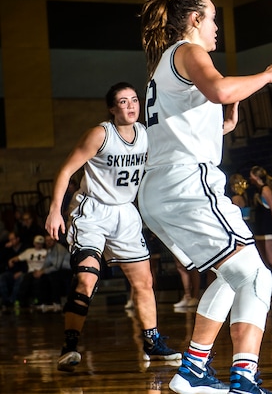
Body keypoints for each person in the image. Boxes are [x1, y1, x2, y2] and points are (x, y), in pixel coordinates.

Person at [138, 0, 272, 394]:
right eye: (213, 19)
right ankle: (243, 378)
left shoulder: (164, 64)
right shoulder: (190, 51)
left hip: (163, 188)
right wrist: (268, 75)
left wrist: (222, 123)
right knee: (257, 278)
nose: (216, 29)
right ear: (194, 20)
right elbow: (222, 90)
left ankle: (194, 369)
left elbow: (198, 118)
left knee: (231, 276)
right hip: (186, 184)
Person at [44, 82, 180, 372]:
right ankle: (69, 346)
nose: (130, 106)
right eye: (122, 102)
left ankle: (152, 342)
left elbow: (184, 141)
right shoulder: (100, 134)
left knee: (144, 282)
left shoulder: (147, 134)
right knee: (87, 278)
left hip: (124, 214)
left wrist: (227, 124)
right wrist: (55, 211)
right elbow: (66, 170)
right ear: (111, 108)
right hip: (92, 210)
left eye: (133, 100)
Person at [249, 166, 272, 303]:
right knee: (264, 262)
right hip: (260, 230)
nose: (250, 179)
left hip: (267, 230)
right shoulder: (258, 190)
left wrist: (271, 228)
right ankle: (268, 290)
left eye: (251, 176)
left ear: (256, 177)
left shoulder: (265, 189)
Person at [29, 233, 72, 312]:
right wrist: (40, 271)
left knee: (53, 276)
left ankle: (56, 302)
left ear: (54, 240)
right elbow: (46, 264)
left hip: (67, 271)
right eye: (47, 240)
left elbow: (57, 266)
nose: (48, 242)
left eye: (50, 240)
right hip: (58, 270)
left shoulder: (59, 249)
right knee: (40, 277)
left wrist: (43, 272)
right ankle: (43, 302)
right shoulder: (50, 250)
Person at [12, 234, 47, 308]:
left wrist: (41, 271)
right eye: (37, 243)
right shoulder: (29, 251)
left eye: (41, 243)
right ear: (34, 243)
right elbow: (18, 258)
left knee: (38, 281)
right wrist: (11, 260)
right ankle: (21, 301)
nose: (39, 245)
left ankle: (38, 300)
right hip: (30, 272)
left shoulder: (46, 252)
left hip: (41, 272)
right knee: (25, 280)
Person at [0, 231, 26, 311]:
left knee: (20, 278)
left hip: (23, 272)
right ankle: (5, 300)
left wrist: (21, 271)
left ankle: (12, 300)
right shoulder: (8, 249)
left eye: (12, 239)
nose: (10, 242)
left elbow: (28, 263)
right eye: (9, 240)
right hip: (11, 272)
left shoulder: (24, 248)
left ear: (17, 239)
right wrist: (5, 248)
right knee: (2, 277)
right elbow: (2, 261)